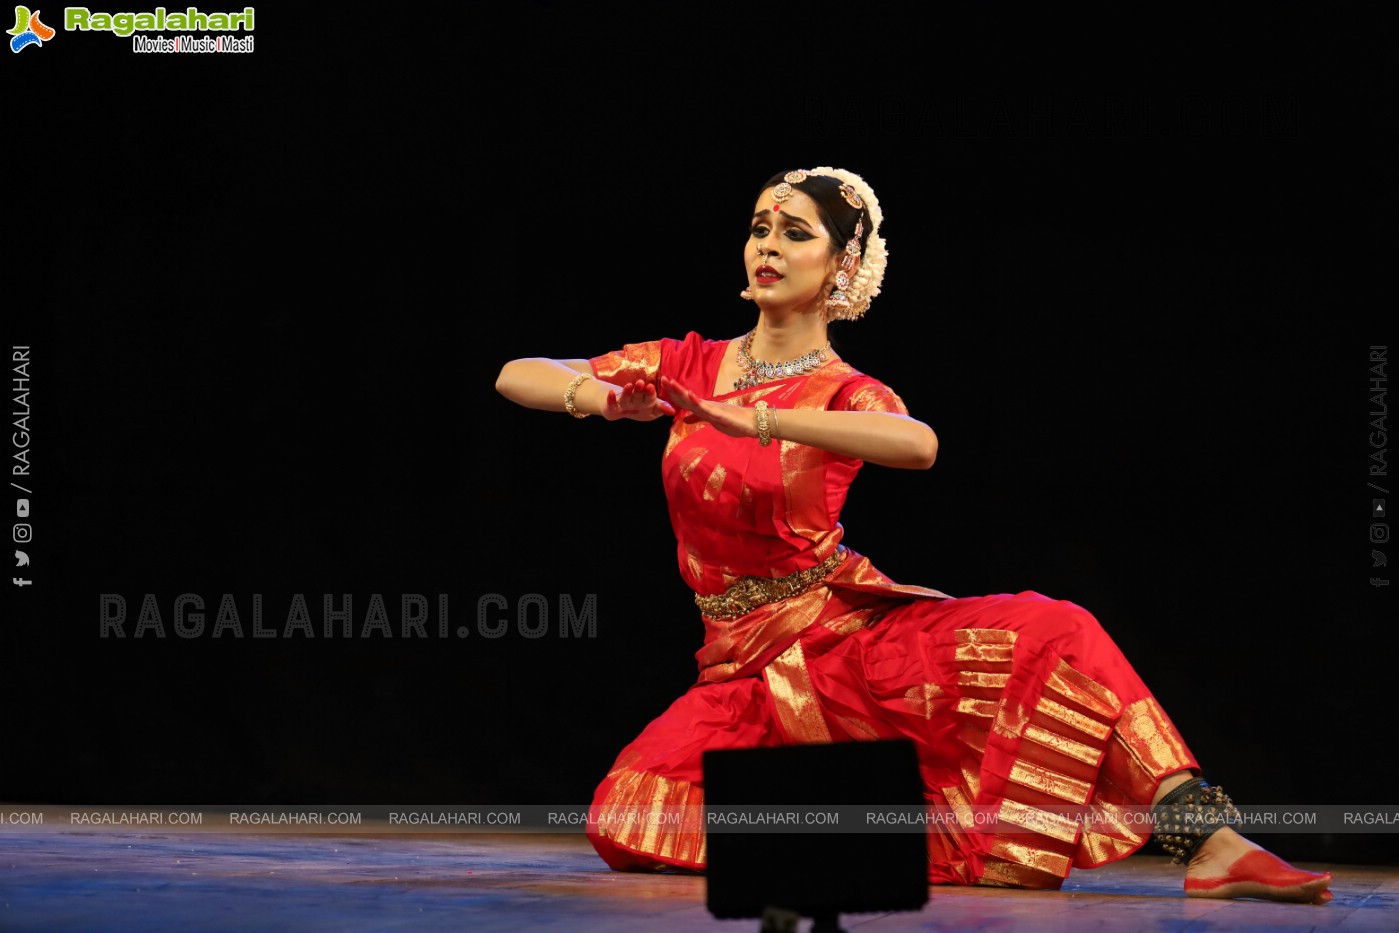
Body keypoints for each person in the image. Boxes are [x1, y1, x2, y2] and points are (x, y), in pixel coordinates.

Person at [494, 167, 1333, 904]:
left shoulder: (848, 390)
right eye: (759, 228)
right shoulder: (685, 362)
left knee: (1059, 628)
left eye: (795, 232)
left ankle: (1211, 844)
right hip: (738, 669)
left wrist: (754, 418)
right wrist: (603, 398)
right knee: (628, 814)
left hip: (843, 642)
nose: (769, 245)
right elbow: (517, 373)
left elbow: (917, 444)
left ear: (841, 266)